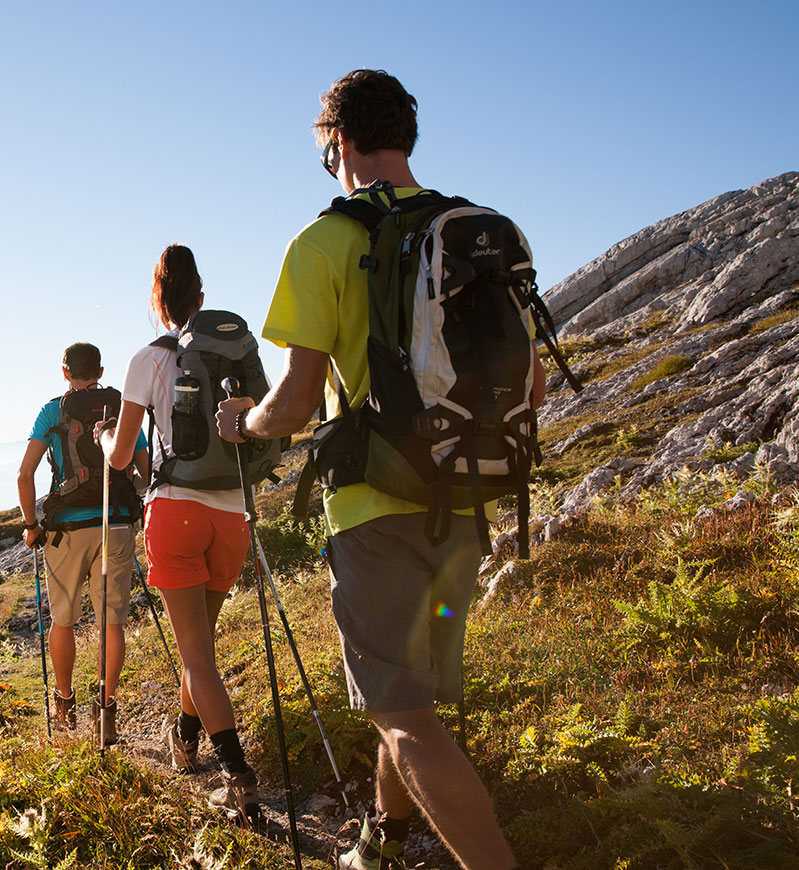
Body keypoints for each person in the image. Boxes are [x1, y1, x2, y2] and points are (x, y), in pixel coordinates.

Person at [215, 70, 542, 870]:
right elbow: (530, 380)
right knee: (414, 699)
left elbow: (293, 404)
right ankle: (381, 841)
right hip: (465, 498)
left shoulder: (322, 242)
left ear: (339, 143)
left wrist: (243, 424)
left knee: (402, 716)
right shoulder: (483, 232)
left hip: (372, 509)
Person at [94, 244, 263, 826]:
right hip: (233, 515)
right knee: (203, 649)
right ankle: (186, 738)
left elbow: (120, 459)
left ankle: (238, 776)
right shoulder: (232, 353)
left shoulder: (147, 358)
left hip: (176, 512)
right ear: (201, 297)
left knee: (196, 654)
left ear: (160, 300)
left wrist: (102, 442)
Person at [17, 342, 149, 745]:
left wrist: (30, 525)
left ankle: (65, 704)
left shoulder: (51, 412)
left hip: (66, 531)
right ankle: (106, 713)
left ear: (64, 372)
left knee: (63, 620)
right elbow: (143, 472)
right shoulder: (122, 409)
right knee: (112, 622)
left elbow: (25, 476)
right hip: (117, 526)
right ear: (101, 370)